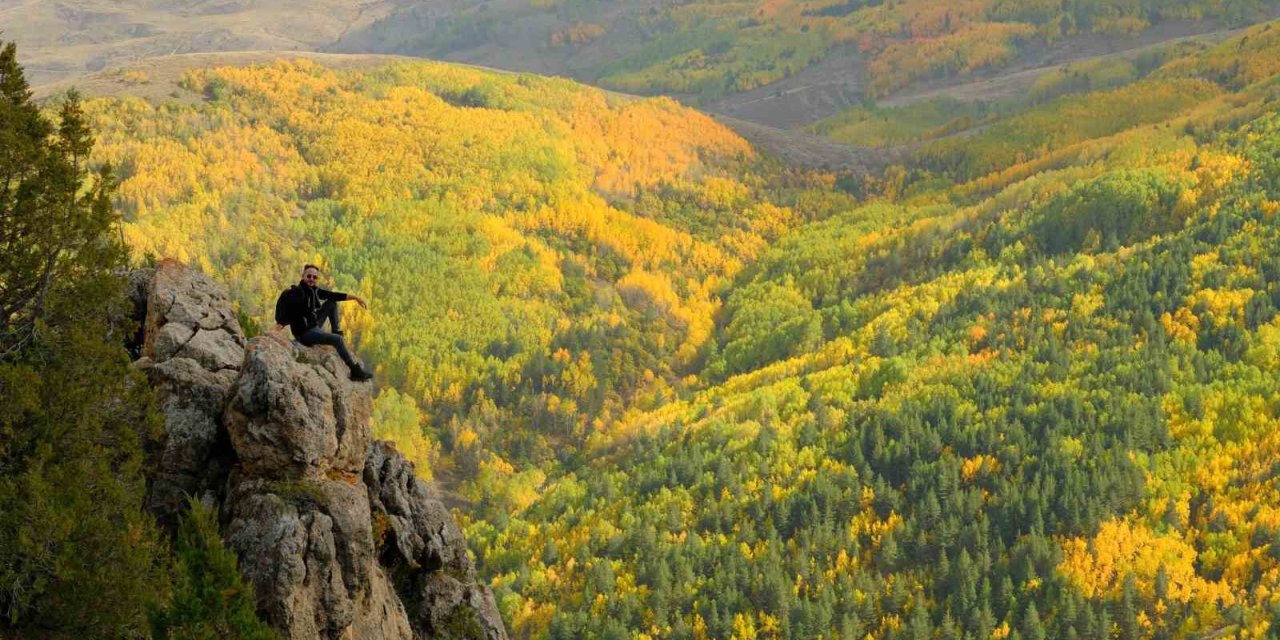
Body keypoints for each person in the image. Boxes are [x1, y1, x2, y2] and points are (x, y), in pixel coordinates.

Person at [274, 264, 374, 381]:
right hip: (305, 333)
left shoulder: (313, 291)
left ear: (317, 279)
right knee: (338, 340)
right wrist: (279, 326)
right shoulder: (298, 293)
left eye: (314, 277)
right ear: (303, 277)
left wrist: (356, 298)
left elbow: (332, 295)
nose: (312, 279)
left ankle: (336, 331)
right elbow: (290, 311)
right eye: (309, 276)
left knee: (331, 303)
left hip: (313, 324)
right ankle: (354, 371)